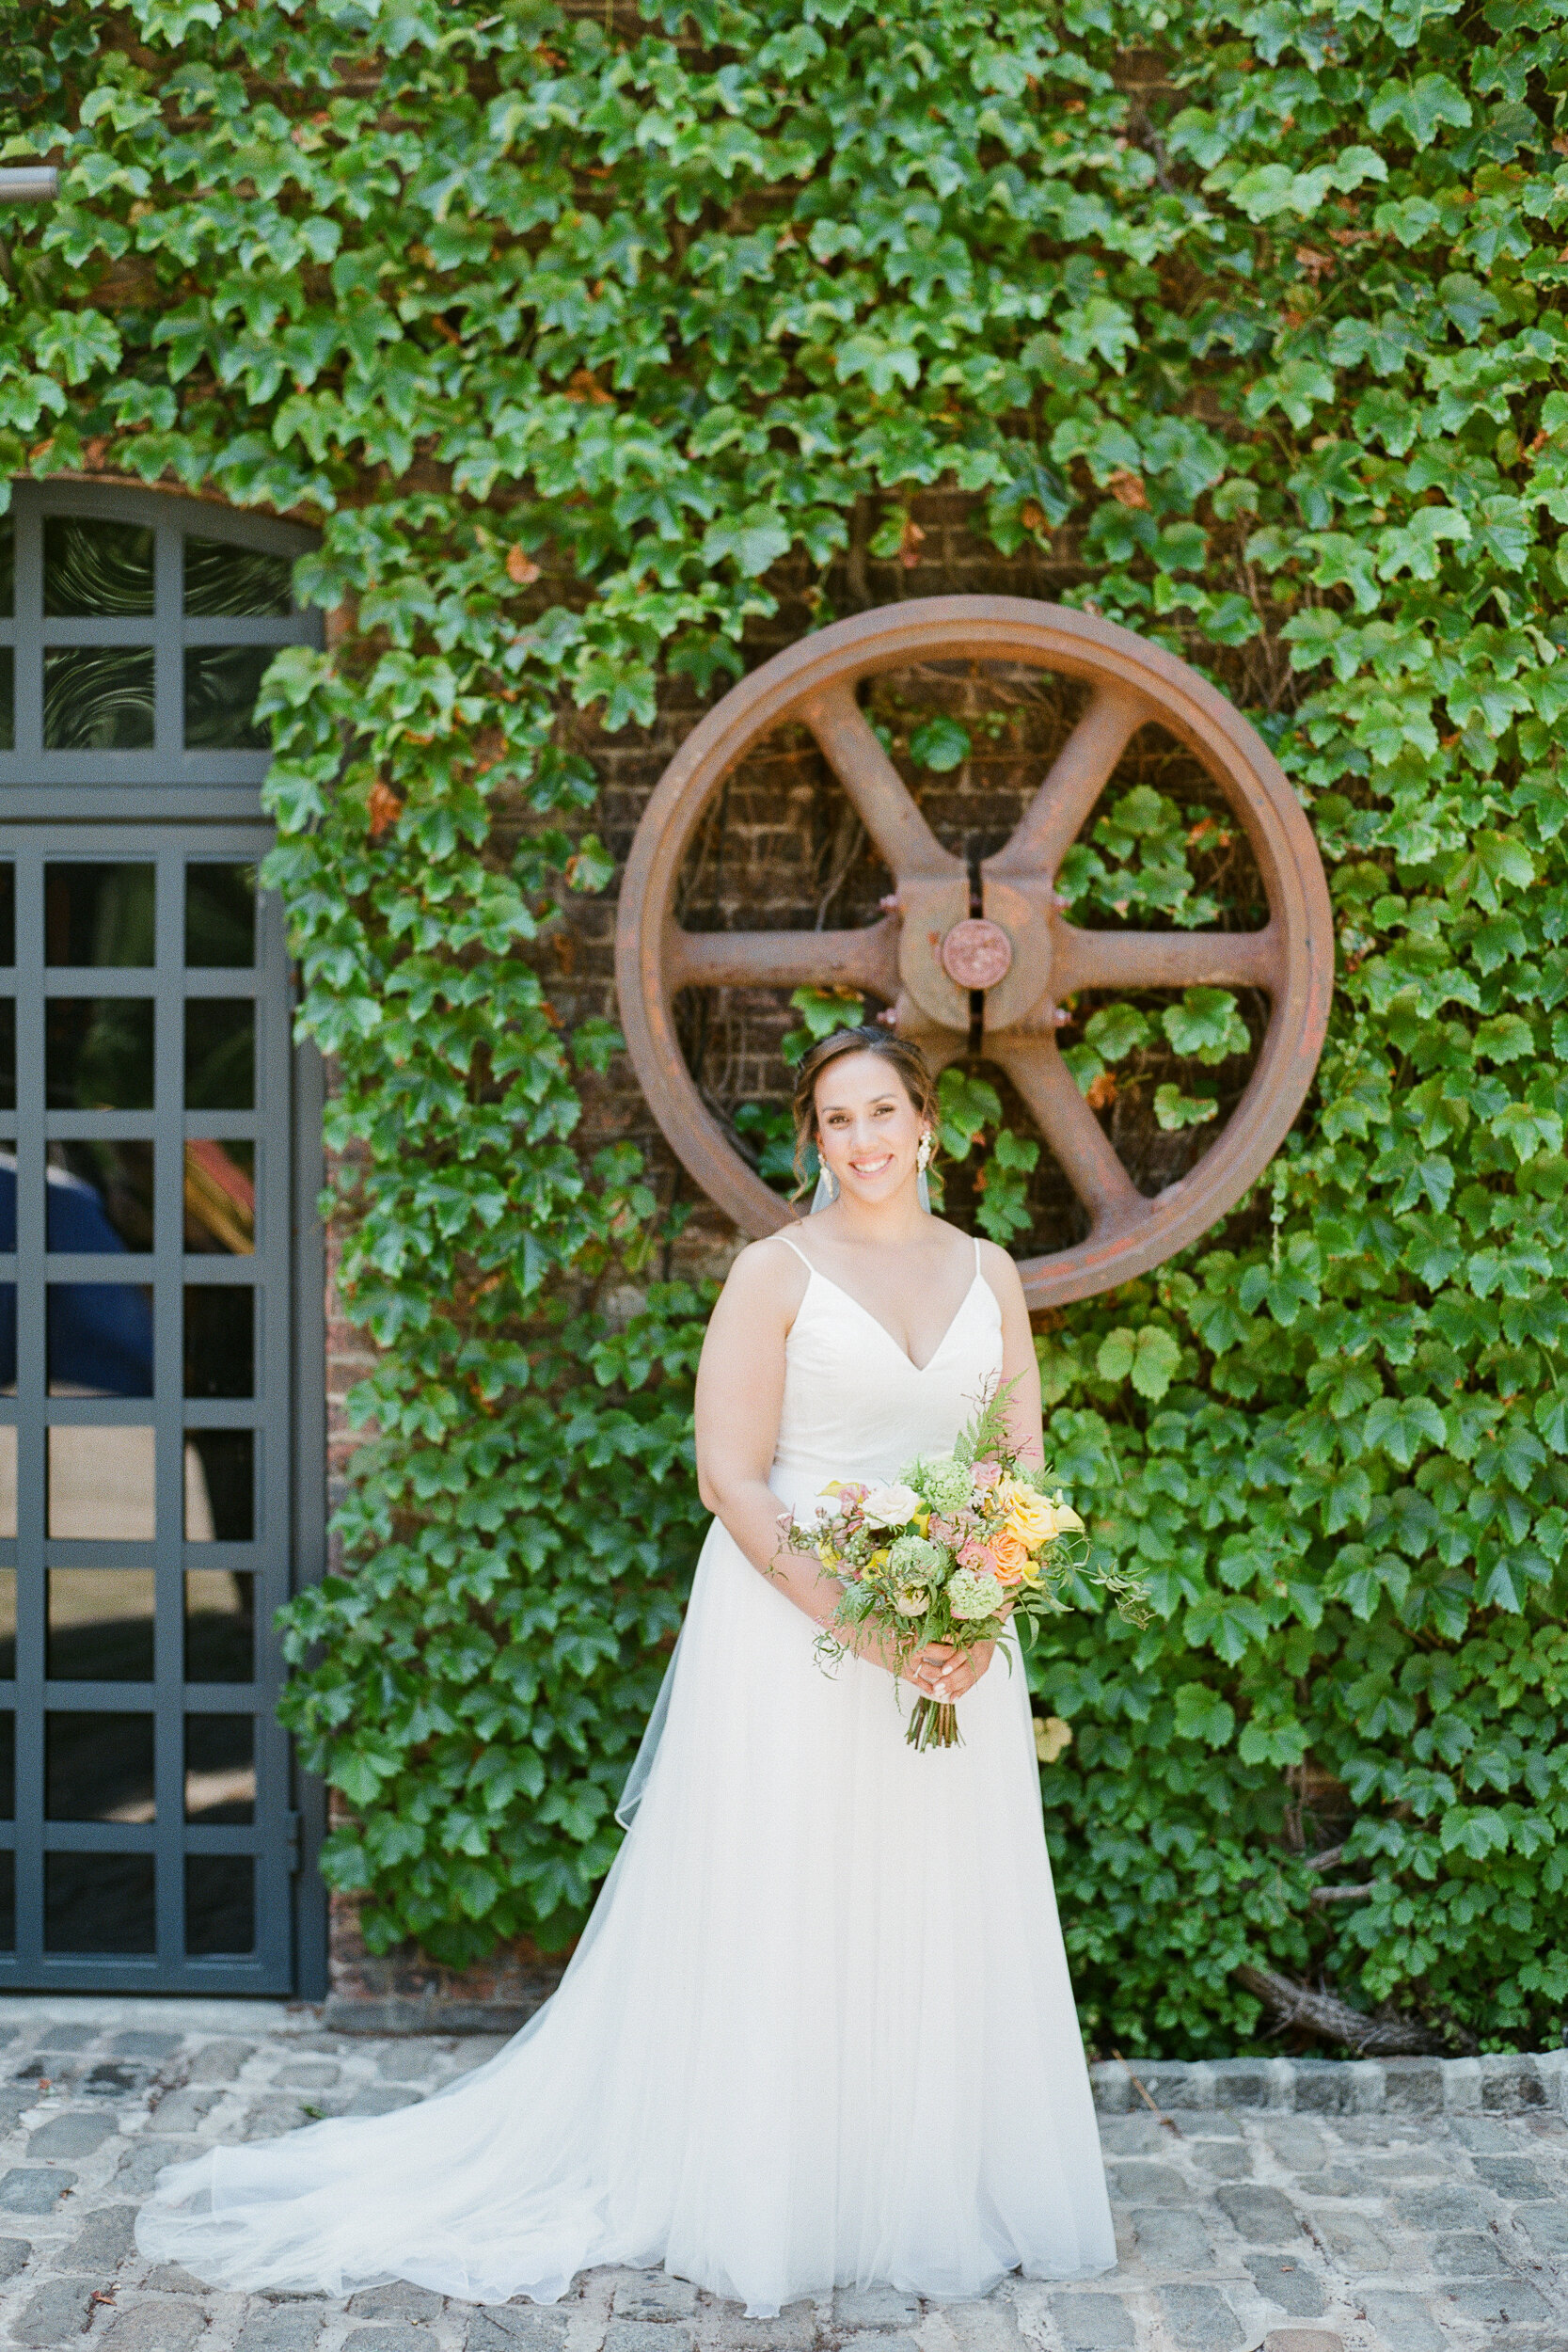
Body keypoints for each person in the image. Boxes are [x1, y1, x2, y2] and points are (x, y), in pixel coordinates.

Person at [136, 1026, 1116, 2315]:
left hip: (956, 1635)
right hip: (798, 1636)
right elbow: (729, 1478)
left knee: (939, 1898)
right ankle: (781, 2187)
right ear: (814, 1142)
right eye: (837, 1121)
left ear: (927, 1121)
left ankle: (925, 2180)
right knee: (797, 1900)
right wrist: (868, 1628)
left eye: (884, 1112)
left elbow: (1013, 1456)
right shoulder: (776, 1276)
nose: (866, 1141)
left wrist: (979, 1606)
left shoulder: (990, 1273)